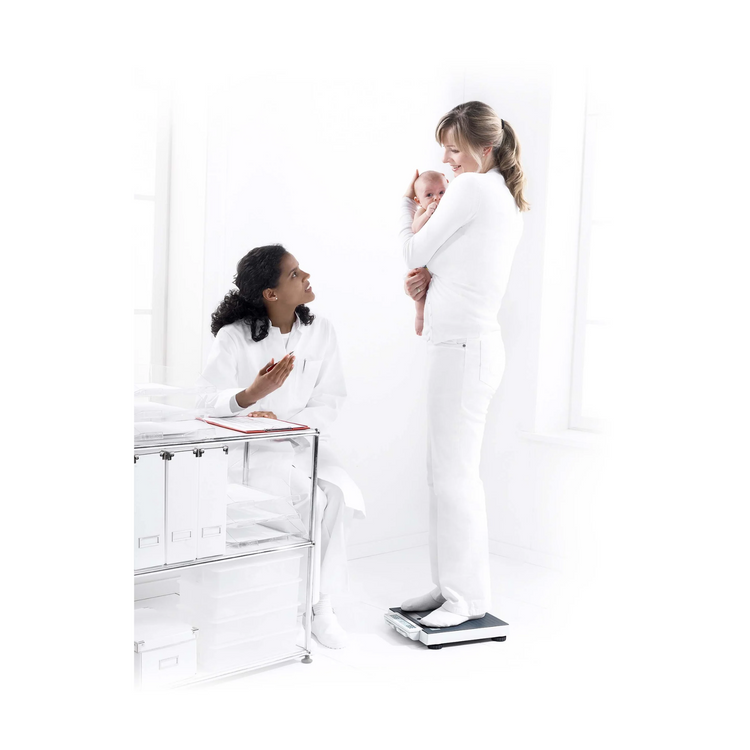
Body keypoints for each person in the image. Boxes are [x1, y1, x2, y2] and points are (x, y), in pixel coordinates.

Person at [398, 101, 529, 628]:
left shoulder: (473, 188)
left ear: (484, 148)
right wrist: (427, 285)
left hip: (463, 351)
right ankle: (448, 585)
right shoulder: (494, 192)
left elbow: (414, 251)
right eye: (444, 150)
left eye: (454, 149)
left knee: (454, 478)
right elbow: (448, 264)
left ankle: (466, 598)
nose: (446, 161)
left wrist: (409, 214)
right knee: (445, 476)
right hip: (462, 349)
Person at [198, 244, 365, 649]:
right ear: (270, 294)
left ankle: (319, 603)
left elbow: (331, 398)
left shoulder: (321, 330)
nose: (306, 276)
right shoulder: (233, 337)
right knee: (314, 503)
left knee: (340, 496)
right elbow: (204, 400)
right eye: (294, 274)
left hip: (304, 439)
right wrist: (251, 394)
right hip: (253, 451)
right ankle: (316, 607)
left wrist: (288, 423)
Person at [408, 171, 449, 336]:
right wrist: (427, 214)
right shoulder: (422, 211)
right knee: (420, 290)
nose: (437, 198)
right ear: (418, 201)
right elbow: (415, 228)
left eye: (441, 192)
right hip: (424, 261)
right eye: (429, 195)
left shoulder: (450, 207)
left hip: (441, 262)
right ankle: (420, 316)